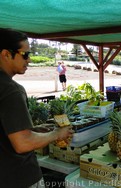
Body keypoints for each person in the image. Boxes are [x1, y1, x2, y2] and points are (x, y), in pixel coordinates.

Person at [0, 28, 74, 188]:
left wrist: (34, 131)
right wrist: (57, 133)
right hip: (19, 178)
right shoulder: (11, 90)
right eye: (25, 54)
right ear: (6, 54)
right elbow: (23, 143)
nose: (29, 60)